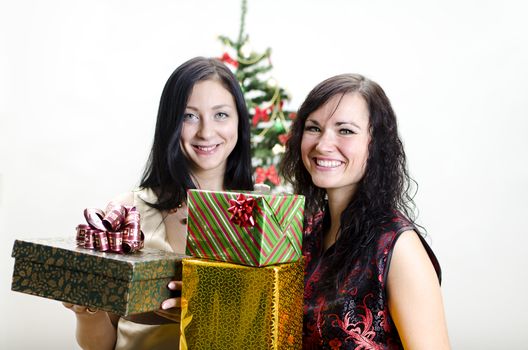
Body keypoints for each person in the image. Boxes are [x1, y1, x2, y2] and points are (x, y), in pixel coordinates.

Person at [63, 56, 253, 350]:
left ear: (239, 120)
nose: (205, 131)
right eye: (189, 116)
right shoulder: (126, 214)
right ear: (170, 123)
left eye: (221, 115)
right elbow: (101, 344)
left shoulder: (264, 216)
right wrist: (87, 310)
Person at [280, 74, 450, 349]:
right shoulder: (305, 232)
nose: (322, 144)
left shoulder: (398, 246)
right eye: (313, 128)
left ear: (376, 144)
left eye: (345, 130)